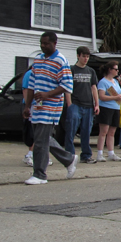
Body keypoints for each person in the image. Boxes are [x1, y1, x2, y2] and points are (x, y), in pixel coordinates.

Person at [22, 31, 77, 185]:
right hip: (37, 105)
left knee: (40, 140)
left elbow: (67, 85)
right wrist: (27, 106)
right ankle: (69, 158)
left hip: (51, 106)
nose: (43, 46)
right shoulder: (38, 60)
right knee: (42, 137)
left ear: (54, 43)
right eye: (41, 43)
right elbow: (31, 85)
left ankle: (40, 174)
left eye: (46, 43)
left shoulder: (61, 61)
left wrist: (48, 94)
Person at [65, 46, 99, 164]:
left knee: (86, 131)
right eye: (83, 56)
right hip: (75, 104)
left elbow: (94, 87)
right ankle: (69, 155)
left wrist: (96, 104)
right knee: (71, 130)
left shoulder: (91, 71)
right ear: (78, 56)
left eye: (87, 56)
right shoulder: (71, 69)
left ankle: (86, 155)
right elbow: (67, 88)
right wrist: (69, 104)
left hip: (88, 105)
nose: (85, 59)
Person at [96, 61, 121, 162]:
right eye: (115, 69)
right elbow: (102, 96)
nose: (117, 71)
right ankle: (99, 153)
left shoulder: (115, 81)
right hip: (106, 108)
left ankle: (111, 152)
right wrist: (115, 97)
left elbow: (120, 92)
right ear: (110, 70)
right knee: (104, 131)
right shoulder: (103, 82)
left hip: (116, 107)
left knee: (112, 132)